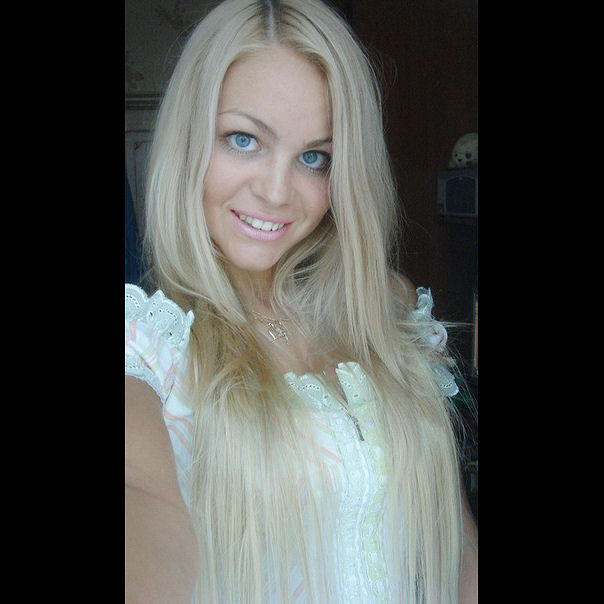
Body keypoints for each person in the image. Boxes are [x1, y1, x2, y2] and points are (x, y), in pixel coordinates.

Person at [125, 0, 478, 602]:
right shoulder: (148, 349)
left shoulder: (387, 311)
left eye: (314, 157)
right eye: (243, 139)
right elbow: (144, 506)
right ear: (188, 141)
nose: (276, 192)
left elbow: (460, 543)